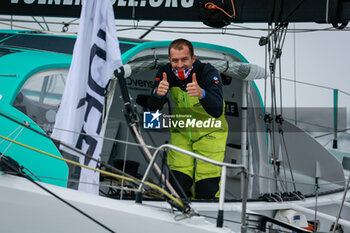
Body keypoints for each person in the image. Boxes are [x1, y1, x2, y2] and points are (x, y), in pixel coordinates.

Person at [148, 39, 228, 199]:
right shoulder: (166, 73)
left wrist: (202, 94)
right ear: (170, 60)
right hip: (182, 133)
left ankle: (207, 219)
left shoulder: (208, 72)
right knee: (177, 185)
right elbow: (153, 108)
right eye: (175, 60)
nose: (179, 65)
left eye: (184, 59)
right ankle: (179, 217)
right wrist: (158, 94)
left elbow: (217, 109)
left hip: (210, 132)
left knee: (206, 186)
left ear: (193, 58)